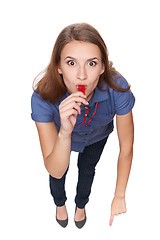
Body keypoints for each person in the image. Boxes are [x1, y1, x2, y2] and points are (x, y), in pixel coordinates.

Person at [31, 23, 135, 228]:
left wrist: (119, 195)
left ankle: (81, 205)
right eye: (71, 63)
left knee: (87, 169)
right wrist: (64, 133)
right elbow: (55, 169)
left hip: (97, 136)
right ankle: (60, 203)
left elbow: (126, 148)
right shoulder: (41, 98)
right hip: (63, 139)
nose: (81, 76)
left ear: (103, 67)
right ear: (58, 66)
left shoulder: (118, 88)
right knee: (59, 175)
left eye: (91, 63)